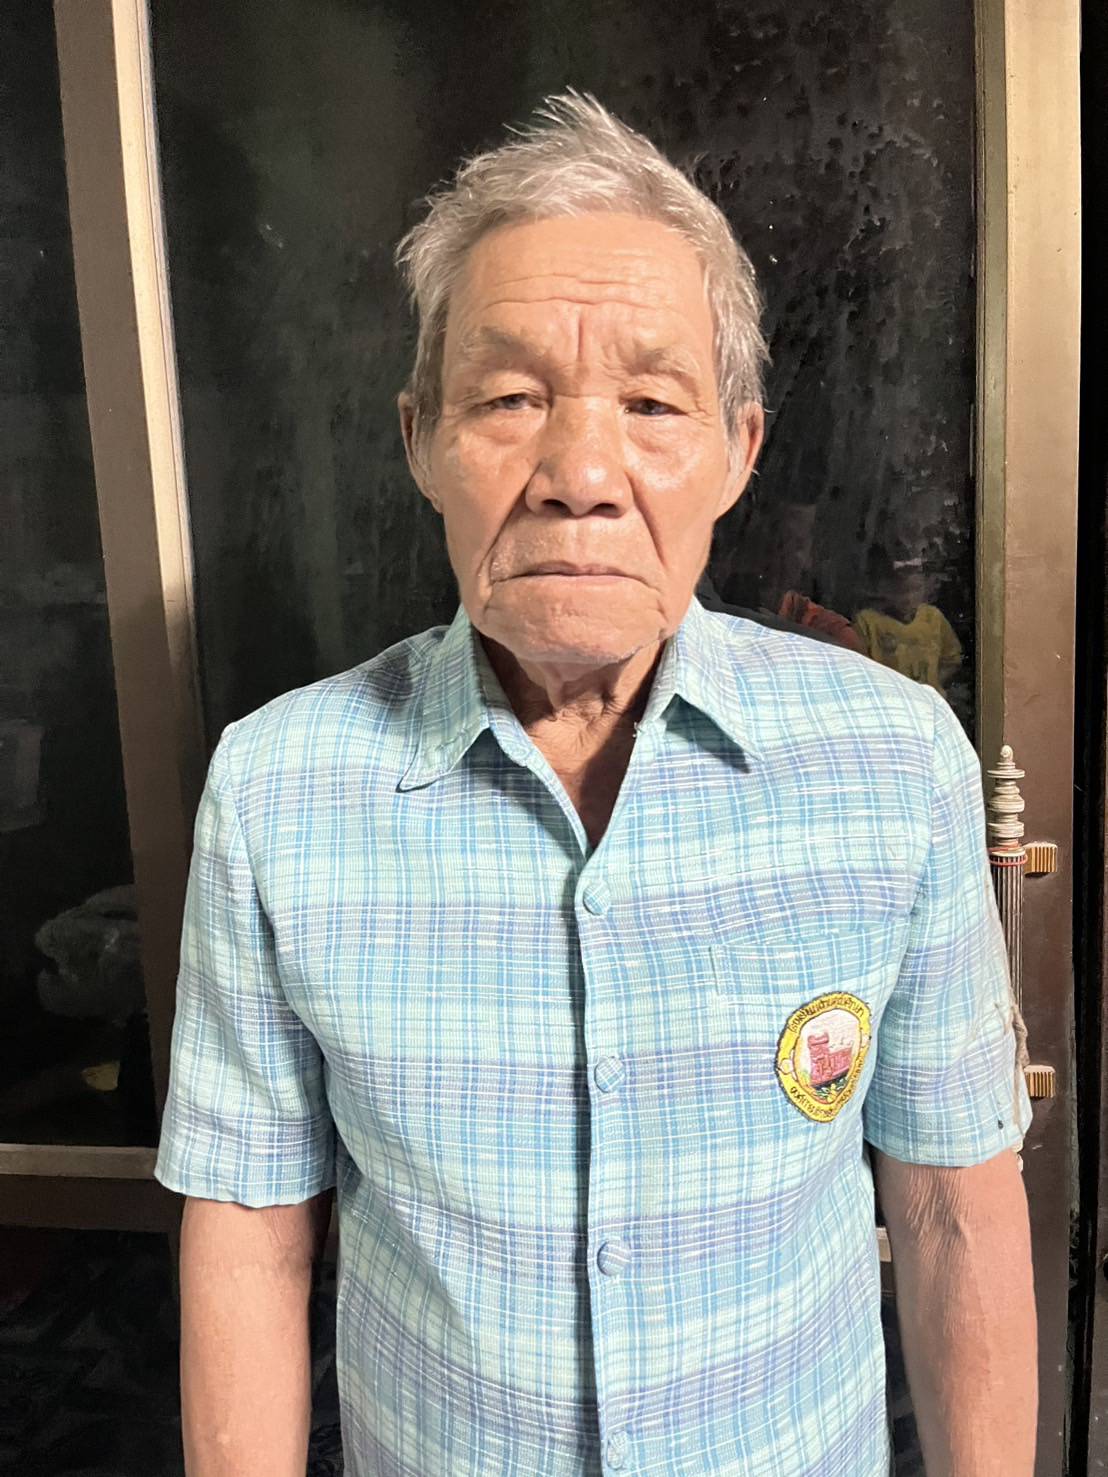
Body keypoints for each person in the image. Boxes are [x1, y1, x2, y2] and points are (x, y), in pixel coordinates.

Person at [155, 91, 1036, 1477]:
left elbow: (950, 1206)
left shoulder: (894, 760)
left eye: (652, 404)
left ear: (739, 450)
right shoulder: (279, 792)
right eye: (509, 399)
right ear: (419, 439)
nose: (579, 473)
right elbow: (252, 1229)